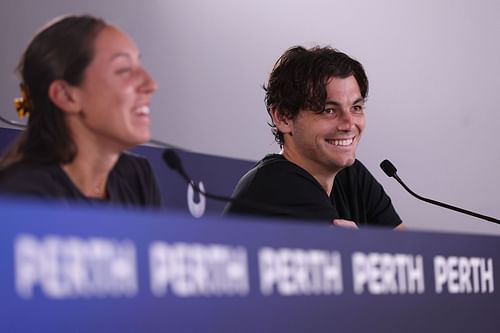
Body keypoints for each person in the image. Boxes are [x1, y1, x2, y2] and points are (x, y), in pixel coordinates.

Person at [225, 46, 403, 229]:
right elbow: (350, 253)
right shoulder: (278, 185)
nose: (349, 124)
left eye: (356, 108)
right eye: (329, 110)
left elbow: (409, 248)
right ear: (283, 118)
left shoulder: (351, 174)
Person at [0, 15, 161, 207]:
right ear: (66, 96)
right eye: (124, 70)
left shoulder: (137, 178)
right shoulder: (21, 195)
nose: (151, 85)